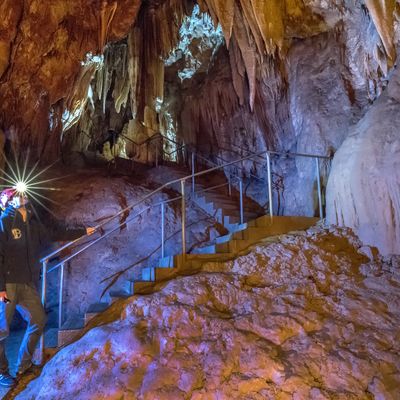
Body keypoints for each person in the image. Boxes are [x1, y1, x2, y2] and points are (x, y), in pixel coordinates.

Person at [0, 188, 94, 386]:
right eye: (17, 195)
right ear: (8, 201)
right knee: (2, 330)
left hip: (26, 283)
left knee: (39, 319)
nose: (23, 197)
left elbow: (54, 233)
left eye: (23, 194)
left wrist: (83, 231)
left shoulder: (32, 223)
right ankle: (2, 372)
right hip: (7, 285)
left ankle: (23, 365)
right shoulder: (4, 221)